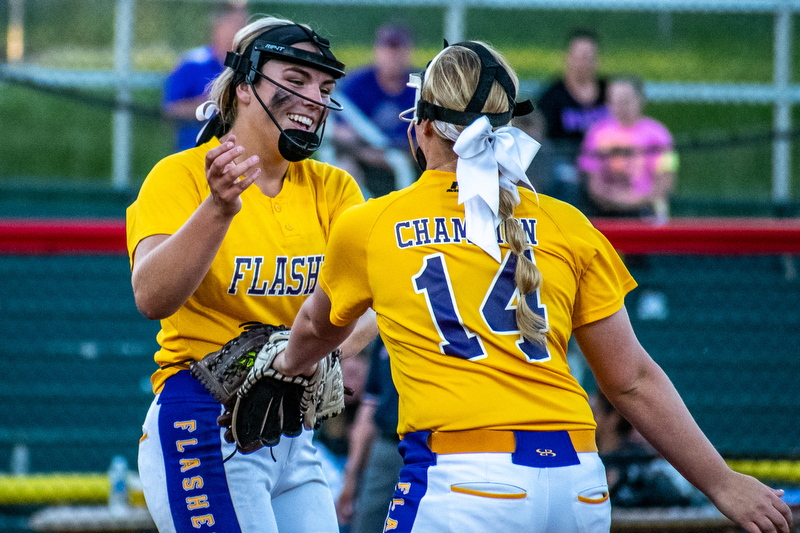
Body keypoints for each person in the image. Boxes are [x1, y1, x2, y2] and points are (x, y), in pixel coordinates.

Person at [268, 40, 793, 533]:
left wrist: (284, 366)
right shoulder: (567, 222)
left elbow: (317, 328)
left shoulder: (373, 223)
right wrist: (722, 483)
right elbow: (630, 379)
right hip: (579, 481)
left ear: (422, 126)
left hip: (464, 476)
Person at [127, 17, 376, 533]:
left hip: (293, 430)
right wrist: (217, 209)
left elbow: (376, 303)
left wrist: (301, 354)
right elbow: (152, 297)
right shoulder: (182, 176)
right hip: (204, 420)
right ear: (244, 87)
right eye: (296, 79)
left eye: (325, 88)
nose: (315, 97)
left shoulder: (335, 188)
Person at [331, 23, 418, 198]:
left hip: (410, 162)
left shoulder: (419, 85)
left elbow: (422, 142)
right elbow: (339, 131)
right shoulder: (357, 84)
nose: (392, 55)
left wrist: (394, 153)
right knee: (343, 168)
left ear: (409, 51)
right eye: (387, 48)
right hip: (363, 160)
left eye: (398, 48)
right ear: (377, 50)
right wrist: (368, 152)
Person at [578, 74, 677, 222]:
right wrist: (620, 200)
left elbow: (666, 182)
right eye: (614, 101)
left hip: (647, 213)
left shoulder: (660, 134)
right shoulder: (596, 134)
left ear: (641, 100)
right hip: (604, 213)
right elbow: (593, 185)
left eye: (626, 101)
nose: (620, 107)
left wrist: (636, 201)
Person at [591, 390, 705, 508]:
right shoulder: (587, 465)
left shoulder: (644, 472)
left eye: (593, 412)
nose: (585, 420)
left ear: (614, 417)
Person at [537, 28, 609, 210]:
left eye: (589, 56)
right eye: (579, 56)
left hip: (606, 160)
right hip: (565, 163)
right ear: (568, 57)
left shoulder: (609, 93)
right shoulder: (552, 96)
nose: (584, 62)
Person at [336, 339, 403, 533]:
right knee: (367, 524)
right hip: (388, 444)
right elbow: (370, 403)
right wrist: (351, 472)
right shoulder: (384, 334)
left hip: (435, 445)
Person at [162, 4, 248, 152]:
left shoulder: (248, 66)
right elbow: (170, 109)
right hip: (195, 152)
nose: (239, 30)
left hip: (238, 155)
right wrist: (212, 103)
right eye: (233, 24)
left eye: (243, 24)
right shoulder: (192, 64)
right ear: (217, 25)